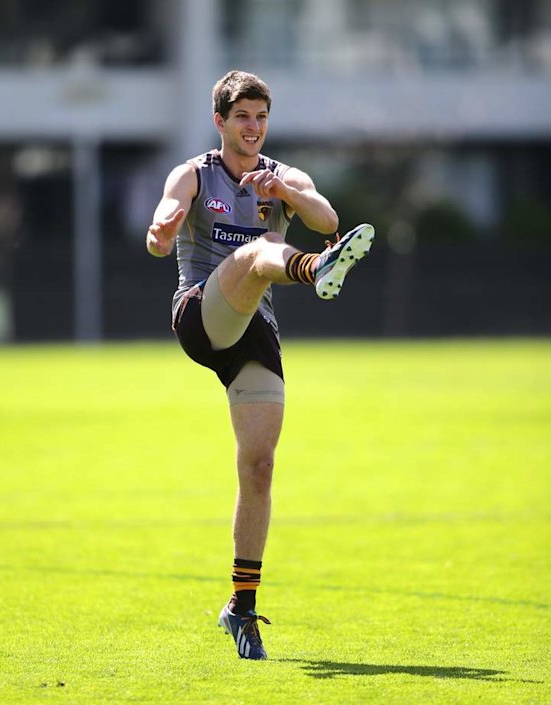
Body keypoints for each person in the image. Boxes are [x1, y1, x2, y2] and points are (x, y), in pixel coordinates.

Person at [146, 70, 374, 660]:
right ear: (219, 121)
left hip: (254, 333)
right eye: (242, 116)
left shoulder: (280, 174)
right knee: (256, 252)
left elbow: (327, 220)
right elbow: (165, 218)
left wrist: (287, 195)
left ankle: (240, 607)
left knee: (260, 465)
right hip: (202, 315)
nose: (253, 128)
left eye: (261, 117)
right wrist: (162, 230)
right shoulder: (195, 173)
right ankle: (315, 271)